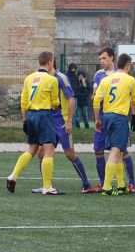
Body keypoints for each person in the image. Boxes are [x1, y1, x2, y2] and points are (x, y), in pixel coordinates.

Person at [6, 51, 61, 195]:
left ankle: (13, 176)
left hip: (31, 116)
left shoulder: (29, 78)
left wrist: (25, 120)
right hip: (44, 115)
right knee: (49, 150)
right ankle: (47, 187)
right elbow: (55, 102)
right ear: (50, 62)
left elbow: (23, 102)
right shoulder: (52, 80)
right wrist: (56, 104)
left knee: (32, 149)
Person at [92, 53, 135, 195]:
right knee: (115, 151)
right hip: (119, 117)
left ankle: (121, 185)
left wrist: (97, 119)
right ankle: (107, 186)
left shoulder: (106, 80)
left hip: (106, 116)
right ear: (128, 65)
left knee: (118, 150)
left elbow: (96, 100)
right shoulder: (130, 80)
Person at [47, 65, 98, 193]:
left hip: (62, 122)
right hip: (48, 121)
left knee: (70, 154)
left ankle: (86, 184)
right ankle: (46, 186)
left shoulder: (61, 78)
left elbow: (71, 99)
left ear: (50, 62)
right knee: (43, 152)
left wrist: (69, 120)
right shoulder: (43, 77)